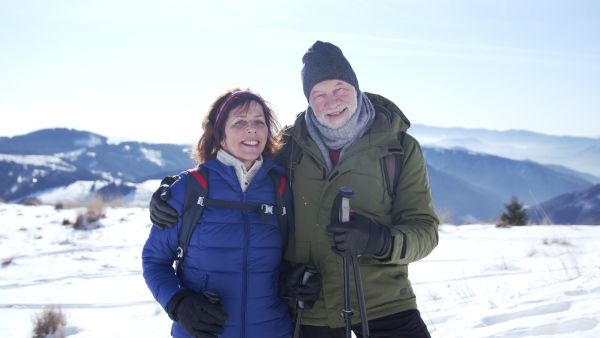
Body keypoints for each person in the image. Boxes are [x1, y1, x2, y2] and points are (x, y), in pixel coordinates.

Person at [150, 42, 439, 338]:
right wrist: (171, 189)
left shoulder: (398, 148)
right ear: (308, 100)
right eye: (319, 93)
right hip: (310, 309)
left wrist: (379, 241)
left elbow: (426, 231)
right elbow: (237, 167)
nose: (332, 101)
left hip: (384, 303)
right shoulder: (288, 147)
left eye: (339, 88)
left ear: (356, 87)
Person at [142, 88, 322, 338]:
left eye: (259, 121)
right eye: (240, 121)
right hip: (204, 332)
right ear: (220, 135)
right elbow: (155, 261)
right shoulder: (189, 189)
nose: (252, 128)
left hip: (272, 330)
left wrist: (293, 281)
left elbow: (283, 257)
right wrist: (179, 304)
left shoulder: (281, 188)